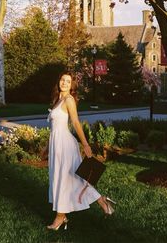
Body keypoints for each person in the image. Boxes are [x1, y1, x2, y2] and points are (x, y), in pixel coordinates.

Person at [45, 71, 116, 231]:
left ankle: (60, 217)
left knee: (65, 180)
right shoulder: (58, 99)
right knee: (73, 179)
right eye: (62, 80)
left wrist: (85, 145)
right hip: (57, 144)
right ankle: (102, 201)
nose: (64, 83)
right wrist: (47, 146)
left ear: (72, 85)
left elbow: (76, 122)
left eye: (68, 81)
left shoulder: (69, 100)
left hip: (65, 145)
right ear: (58, 82)